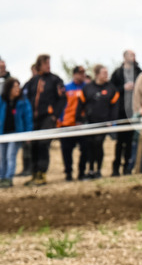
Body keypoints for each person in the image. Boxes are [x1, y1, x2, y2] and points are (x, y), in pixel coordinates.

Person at [23, 54, 66, 185]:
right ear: (39, 65)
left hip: (47, 118)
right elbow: (24, 96)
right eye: (46, 63)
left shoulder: (55, 80)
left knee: (43, 144)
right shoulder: (32, 81)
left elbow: (63, 99)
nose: (48, 66)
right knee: (33, 145)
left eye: (49, 63)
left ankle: (42, 173)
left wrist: (55, 116)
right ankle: (34, 173)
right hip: (33, 119)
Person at [82, 65, 120, 179]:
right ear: (97, 74)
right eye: (104, 73)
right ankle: (90, 170)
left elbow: (115, 106)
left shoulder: (111, 88)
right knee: (89, 146)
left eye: (107, 72)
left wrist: (111, 121)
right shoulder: (88, 88)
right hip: (90, 122)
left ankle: (98, 169)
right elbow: (81, 105)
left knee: (98, 145)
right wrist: (82, 120)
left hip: (104, 122)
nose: (106, 75)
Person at [110, 50, 142, 176]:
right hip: (120, 111)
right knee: (120, 141)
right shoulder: (117, 73)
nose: (133, 57)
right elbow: (111, 90)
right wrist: (122, 88)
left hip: (133, 111)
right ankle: (115, 168)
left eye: (134, 55)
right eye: (131, 55)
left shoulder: (138, 72)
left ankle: (127, 168)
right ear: (124, 57)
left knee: (129, 141)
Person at [58, 65, 88, 181]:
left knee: (85, 149)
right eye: (80, 73)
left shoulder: (87, 88)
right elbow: (60, 105)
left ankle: (82, 172)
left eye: (83, 73)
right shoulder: (66, 88)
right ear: (74, 74)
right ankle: (68, 173)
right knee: (66, 151)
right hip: (66, 124)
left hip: (82, 125)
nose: (82, 75)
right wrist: (59, 120)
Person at [0, 78, 32, 188]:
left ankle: (8, 178)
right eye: (15, 86)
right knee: (2, 157)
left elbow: (28, 118)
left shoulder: (23, 101)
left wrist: (28, 134)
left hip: (16, 133)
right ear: (9, 88)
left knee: (10, 155)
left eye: (18, 86)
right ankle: (1, 178)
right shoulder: (2, 100)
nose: (17, 89)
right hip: (3, 134)